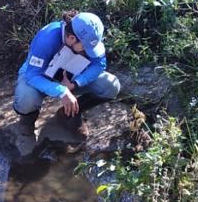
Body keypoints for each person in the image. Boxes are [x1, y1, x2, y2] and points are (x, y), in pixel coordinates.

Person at [12, 10, 120, 139]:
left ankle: (70, 114)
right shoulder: (47, 37)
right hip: (39, 75)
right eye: (85, 47)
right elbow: (32, 76)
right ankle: (28, 120)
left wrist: (76, 84)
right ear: (71, 38)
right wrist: (61, 91)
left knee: (110, 86)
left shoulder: (90, 38)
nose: (89, 51)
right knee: (26, 98)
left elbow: (99, 64)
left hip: (73, 76)